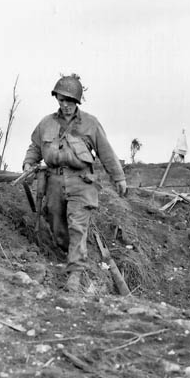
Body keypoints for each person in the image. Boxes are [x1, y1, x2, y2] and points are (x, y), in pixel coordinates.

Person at [22, 74, 127, 292]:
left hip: (81, 182)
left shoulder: (90, 123)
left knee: (77, 225)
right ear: (57, 99)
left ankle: (75, 274)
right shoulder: (46, 123)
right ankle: (65, 254)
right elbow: (34, 146)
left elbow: (106, 152)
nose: (66, 105)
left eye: (70, 101)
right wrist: (28, 163)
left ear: (77, 102)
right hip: (53, 181)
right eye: (62, 100)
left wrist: (119, 177)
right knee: (55, 221)